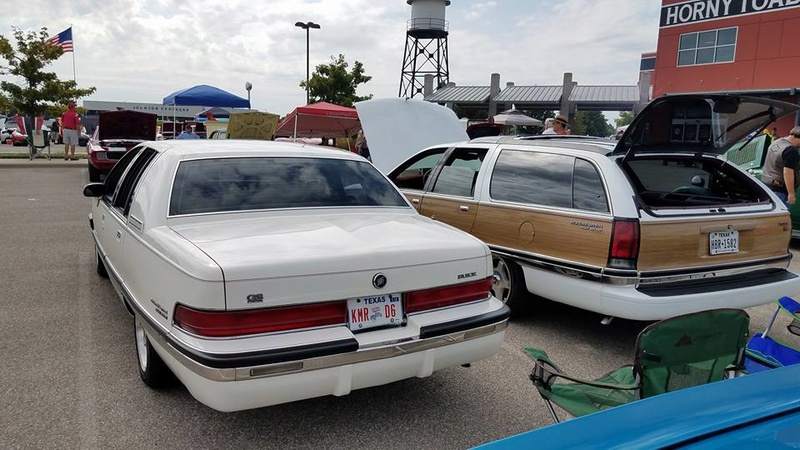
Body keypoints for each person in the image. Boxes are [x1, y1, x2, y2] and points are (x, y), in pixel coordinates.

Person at [761, 126, 800, 205]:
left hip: (767, 184)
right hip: (781, 190)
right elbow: (788, 173)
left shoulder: (777, 142)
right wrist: (791, 194)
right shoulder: (791, 150)